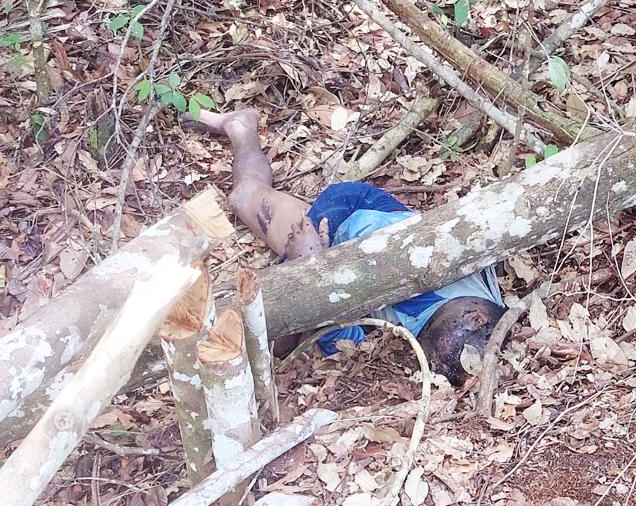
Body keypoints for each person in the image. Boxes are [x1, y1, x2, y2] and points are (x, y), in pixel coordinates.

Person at [194, 109, 506, 384]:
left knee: (245, 200)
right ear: (476, 318)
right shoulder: (472, 268)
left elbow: (342, 340)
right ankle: (242, 129)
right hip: (352, 212)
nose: (420, 350)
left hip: (341, 254)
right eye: (430, 349)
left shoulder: (434, 330)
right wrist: (310, 260)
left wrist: (311, 261)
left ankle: (239, 125)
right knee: (280, 337)